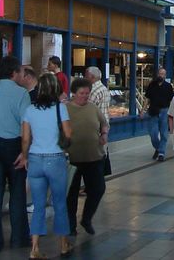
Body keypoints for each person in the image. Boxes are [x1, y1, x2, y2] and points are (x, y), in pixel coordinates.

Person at [17, 73, 73, 259]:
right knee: (59, 203)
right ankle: (64, 244)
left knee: (38, 205)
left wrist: (25, 157)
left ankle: (35, 248)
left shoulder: (30, 110)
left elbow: (25, 139)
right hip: (55, 158)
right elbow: (68, 133)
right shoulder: (60, 109)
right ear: (56, 89)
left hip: (34, 159)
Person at [0, 55, 31, 254]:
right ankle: (18, 238)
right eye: (20, 72)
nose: (22, 76)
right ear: (13, 73)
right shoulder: (21, 94)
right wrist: (25, 153)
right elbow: (25, 125)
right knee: (17, 193)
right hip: (14, 146)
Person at [65, 77, 109, 237]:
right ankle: (70, 225)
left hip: (94, 157)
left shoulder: (92, 108)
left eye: (87, 93)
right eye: (82, 93)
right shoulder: (65, 109)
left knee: (98, 189)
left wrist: (104, 134)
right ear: (74, 93)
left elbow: (104, 123)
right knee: (71, 194)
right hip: (73, 159)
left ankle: (87, 218)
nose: (85, 96)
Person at [144, 67, 174, 161]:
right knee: (153, 133)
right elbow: (147, 98)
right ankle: (158, 148)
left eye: (163, 74)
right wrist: (142, 110)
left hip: (164, 111)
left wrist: (172, 112)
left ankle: (161, 153)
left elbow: (172, 100)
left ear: (165, 76)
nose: (161, 75)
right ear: (157, 74)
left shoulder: (168, 86)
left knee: (164, 133)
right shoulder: (152, 85)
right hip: (153, 111)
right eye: (160, 73)